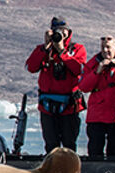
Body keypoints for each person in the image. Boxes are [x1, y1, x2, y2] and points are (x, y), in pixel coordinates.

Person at [25, 17, 87, 152]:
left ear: (68, 32)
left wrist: (62, 51)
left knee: (69, 144)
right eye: (56, 31)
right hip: (47, 105)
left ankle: (69, 165)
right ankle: (51, 164)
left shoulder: (77, 49)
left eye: (63, 31)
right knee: (51, 144)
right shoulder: (44, 49)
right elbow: (31, 67)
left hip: (69, 105)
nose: (60, 34)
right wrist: (45, 48)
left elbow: (78, 70)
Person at [78, 36, 115, 157]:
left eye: (108, 47)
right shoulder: (93, 63)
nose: (105, 50)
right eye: (103, 47)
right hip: (97, 115)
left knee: (114, 152)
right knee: (95, 151)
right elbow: (84, 87)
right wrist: (97, 71)